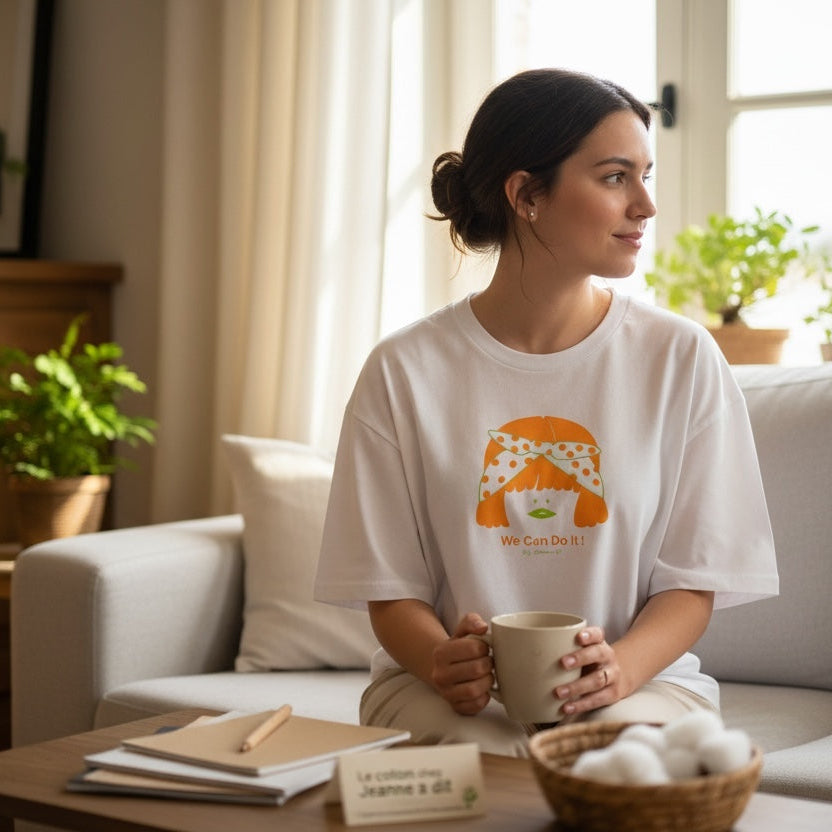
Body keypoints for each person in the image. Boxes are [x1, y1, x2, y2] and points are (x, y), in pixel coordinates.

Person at [313, 68, 778, 756]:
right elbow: (391, 589)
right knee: (489, 767)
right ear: (527, 194)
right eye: (617, 177)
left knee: (608, 766)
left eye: (646, 175)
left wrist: (618, 671)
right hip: (438, 692)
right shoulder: (403, 371)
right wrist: (442, 660)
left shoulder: (680, 358)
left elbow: (693, 582)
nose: (646, 205)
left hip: (640, 687)